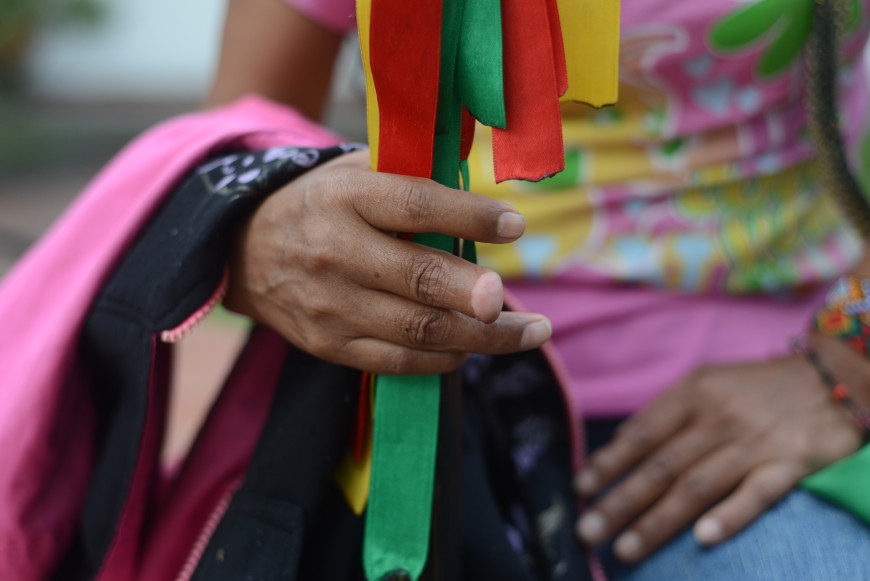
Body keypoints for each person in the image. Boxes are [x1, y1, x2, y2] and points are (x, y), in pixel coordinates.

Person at [1, 0, 870, 579]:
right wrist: (266, 230)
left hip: (755, 406)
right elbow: (243, 132)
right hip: (402, 403)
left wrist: (843, 362)